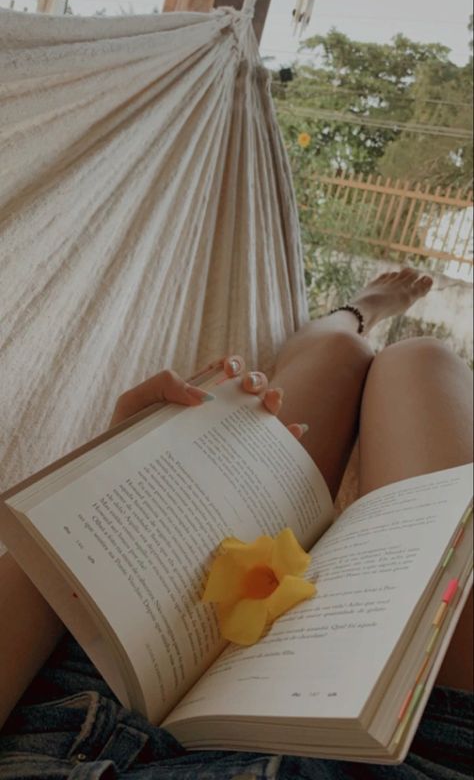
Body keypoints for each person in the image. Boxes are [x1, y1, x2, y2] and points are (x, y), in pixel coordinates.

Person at [0, 268, 472, 779]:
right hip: (402, 749)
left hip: (104, 674)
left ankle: (358, 312)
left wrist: (93, 489)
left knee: (335, 360)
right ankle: (356, 319)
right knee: (424, 360)